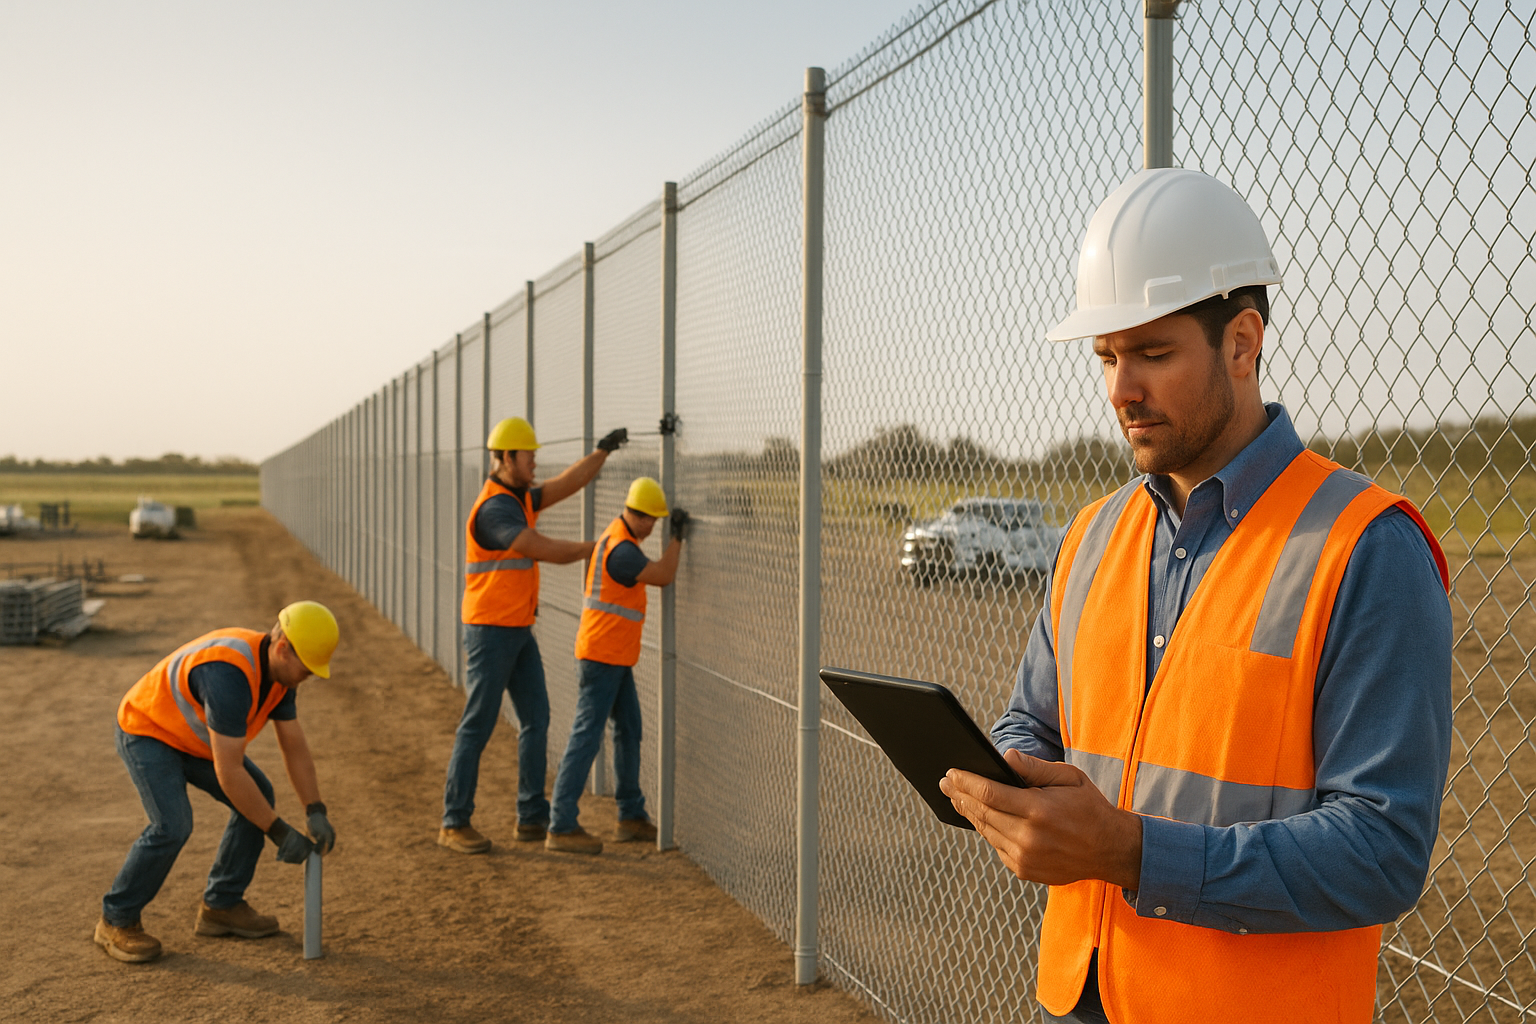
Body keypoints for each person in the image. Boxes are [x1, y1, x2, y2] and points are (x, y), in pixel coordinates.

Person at [938, 168, 1453, 1024]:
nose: (1119, 390)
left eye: (1152, 353)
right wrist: (1011, 784)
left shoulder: (1365, 547)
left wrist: (1136, 853)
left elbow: (1383, 849)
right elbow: (1031, 720)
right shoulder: (1092, 536)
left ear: (1242, 343)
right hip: (1082, 995)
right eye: (1107, 357)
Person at [94, 601, 341, 963]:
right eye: (307, 668)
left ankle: (221, 906)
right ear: (283, 648)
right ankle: (116, 919)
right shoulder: (228, 675)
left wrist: (314, 808)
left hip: (191, 737)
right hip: (149, 731)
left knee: (258, 796)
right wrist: (276, 830)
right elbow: (229, 772)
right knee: (172, 825)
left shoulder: (280, 675)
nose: (311, 676)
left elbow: (294, 746)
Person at [438, 417, 628, 854]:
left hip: (516, 629)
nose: (535, 463)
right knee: (478, 725)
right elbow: (532, 546)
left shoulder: (518, 496)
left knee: (537, 719)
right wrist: (594, 551)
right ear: (506, 459)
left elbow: (565, 484)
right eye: (529, 456)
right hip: (490, 630)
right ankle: (453, 821)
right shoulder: (495, 508)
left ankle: (531, 817)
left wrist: (602, 451)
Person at [544, 477, 690, 854]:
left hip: (612, 654)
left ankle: (630, 815)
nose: (654, 527)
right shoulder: (623, 551)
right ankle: (560, 824)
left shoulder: (615, 536)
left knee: (628, 728)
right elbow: (663, 575)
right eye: (653, 521)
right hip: (602, 656)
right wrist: (678, 539)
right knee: (587, 735)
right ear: (639, 518)